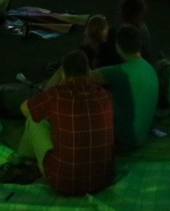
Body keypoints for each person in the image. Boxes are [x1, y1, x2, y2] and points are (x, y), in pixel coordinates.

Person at [18, 50, 114, 196]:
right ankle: (25, 158)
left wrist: (54, 82)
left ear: (63, 74)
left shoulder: (56, 95)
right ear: (89, 72)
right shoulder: (104, 96)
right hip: (102, 180)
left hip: (64, 182)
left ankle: (23, 157)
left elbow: (25, 109)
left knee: (34, 120)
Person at [93, 25, 159, 148]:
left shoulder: (120, 73)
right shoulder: (150, 69)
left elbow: (81, 77)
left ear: (118, 46)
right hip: (141, 136)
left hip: (125, 139)